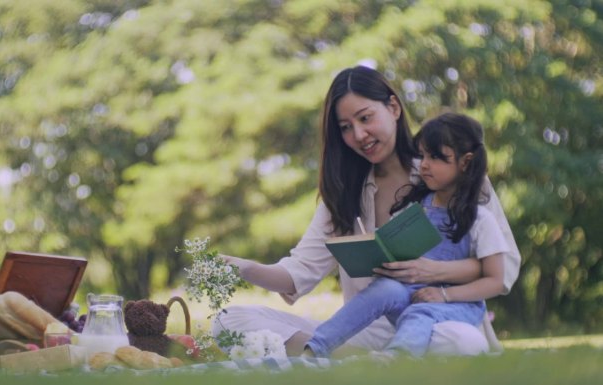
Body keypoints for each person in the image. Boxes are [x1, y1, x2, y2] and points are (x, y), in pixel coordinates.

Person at [214, 65, 521, 356]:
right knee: (228, 321)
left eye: (365, 118)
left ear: (394, 108)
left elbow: (502, 268)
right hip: (367, 330)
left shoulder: (453, 175)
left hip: (440, 320)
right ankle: (354, 363)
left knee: (462, 343)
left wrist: (433, 271)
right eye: (346, 127)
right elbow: (297, 274)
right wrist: (245, 268)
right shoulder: (343, 196)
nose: (359, 135)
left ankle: (345, 361)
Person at [304, 112, 507, 359]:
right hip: (410, 293)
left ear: (465, 163)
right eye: (422, 155)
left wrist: (444, 295)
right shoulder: (415, 208)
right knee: (383, 290)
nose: (423, 164)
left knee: (419, 312)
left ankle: (395, 360)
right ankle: (314, 349)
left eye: (435, 157)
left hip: (457, 305)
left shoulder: (480, 219)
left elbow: (495, 280)